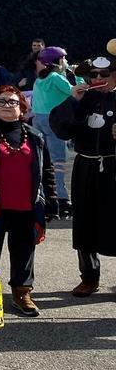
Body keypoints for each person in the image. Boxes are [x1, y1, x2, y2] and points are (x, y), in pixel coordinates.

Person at [0, 87, 55, 317]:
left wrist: (51, 198)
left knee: (23, 251)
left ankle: (22, 293)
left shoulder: (34, 135)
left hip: (26, 205)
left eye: (12, 102)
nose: (6, 105)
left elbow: (47, 169)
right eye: (1, 101)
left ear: (23, 107)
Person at [49, 54, 116, 297]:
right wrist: (72, 101)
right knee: (85, 221)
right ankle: (89, 277)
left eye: (104, 74)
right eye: (93, 75)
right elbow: (61, 130)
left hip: (113, 165)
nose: (98, 79)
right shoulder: (84, 97)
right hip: (86, 165)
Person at [31, 45, 79, 216]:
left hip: (38, 119)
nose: (66, 61)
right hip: (54, 120)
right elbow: (75, 92)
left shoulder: (40, 79)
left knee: (43, 160)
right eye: (63, 59)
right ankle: (62, 198)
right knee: (58, 161)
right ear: (56, 62)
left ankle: (45, 195)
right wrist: (79, 76)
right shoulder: (55, 78)